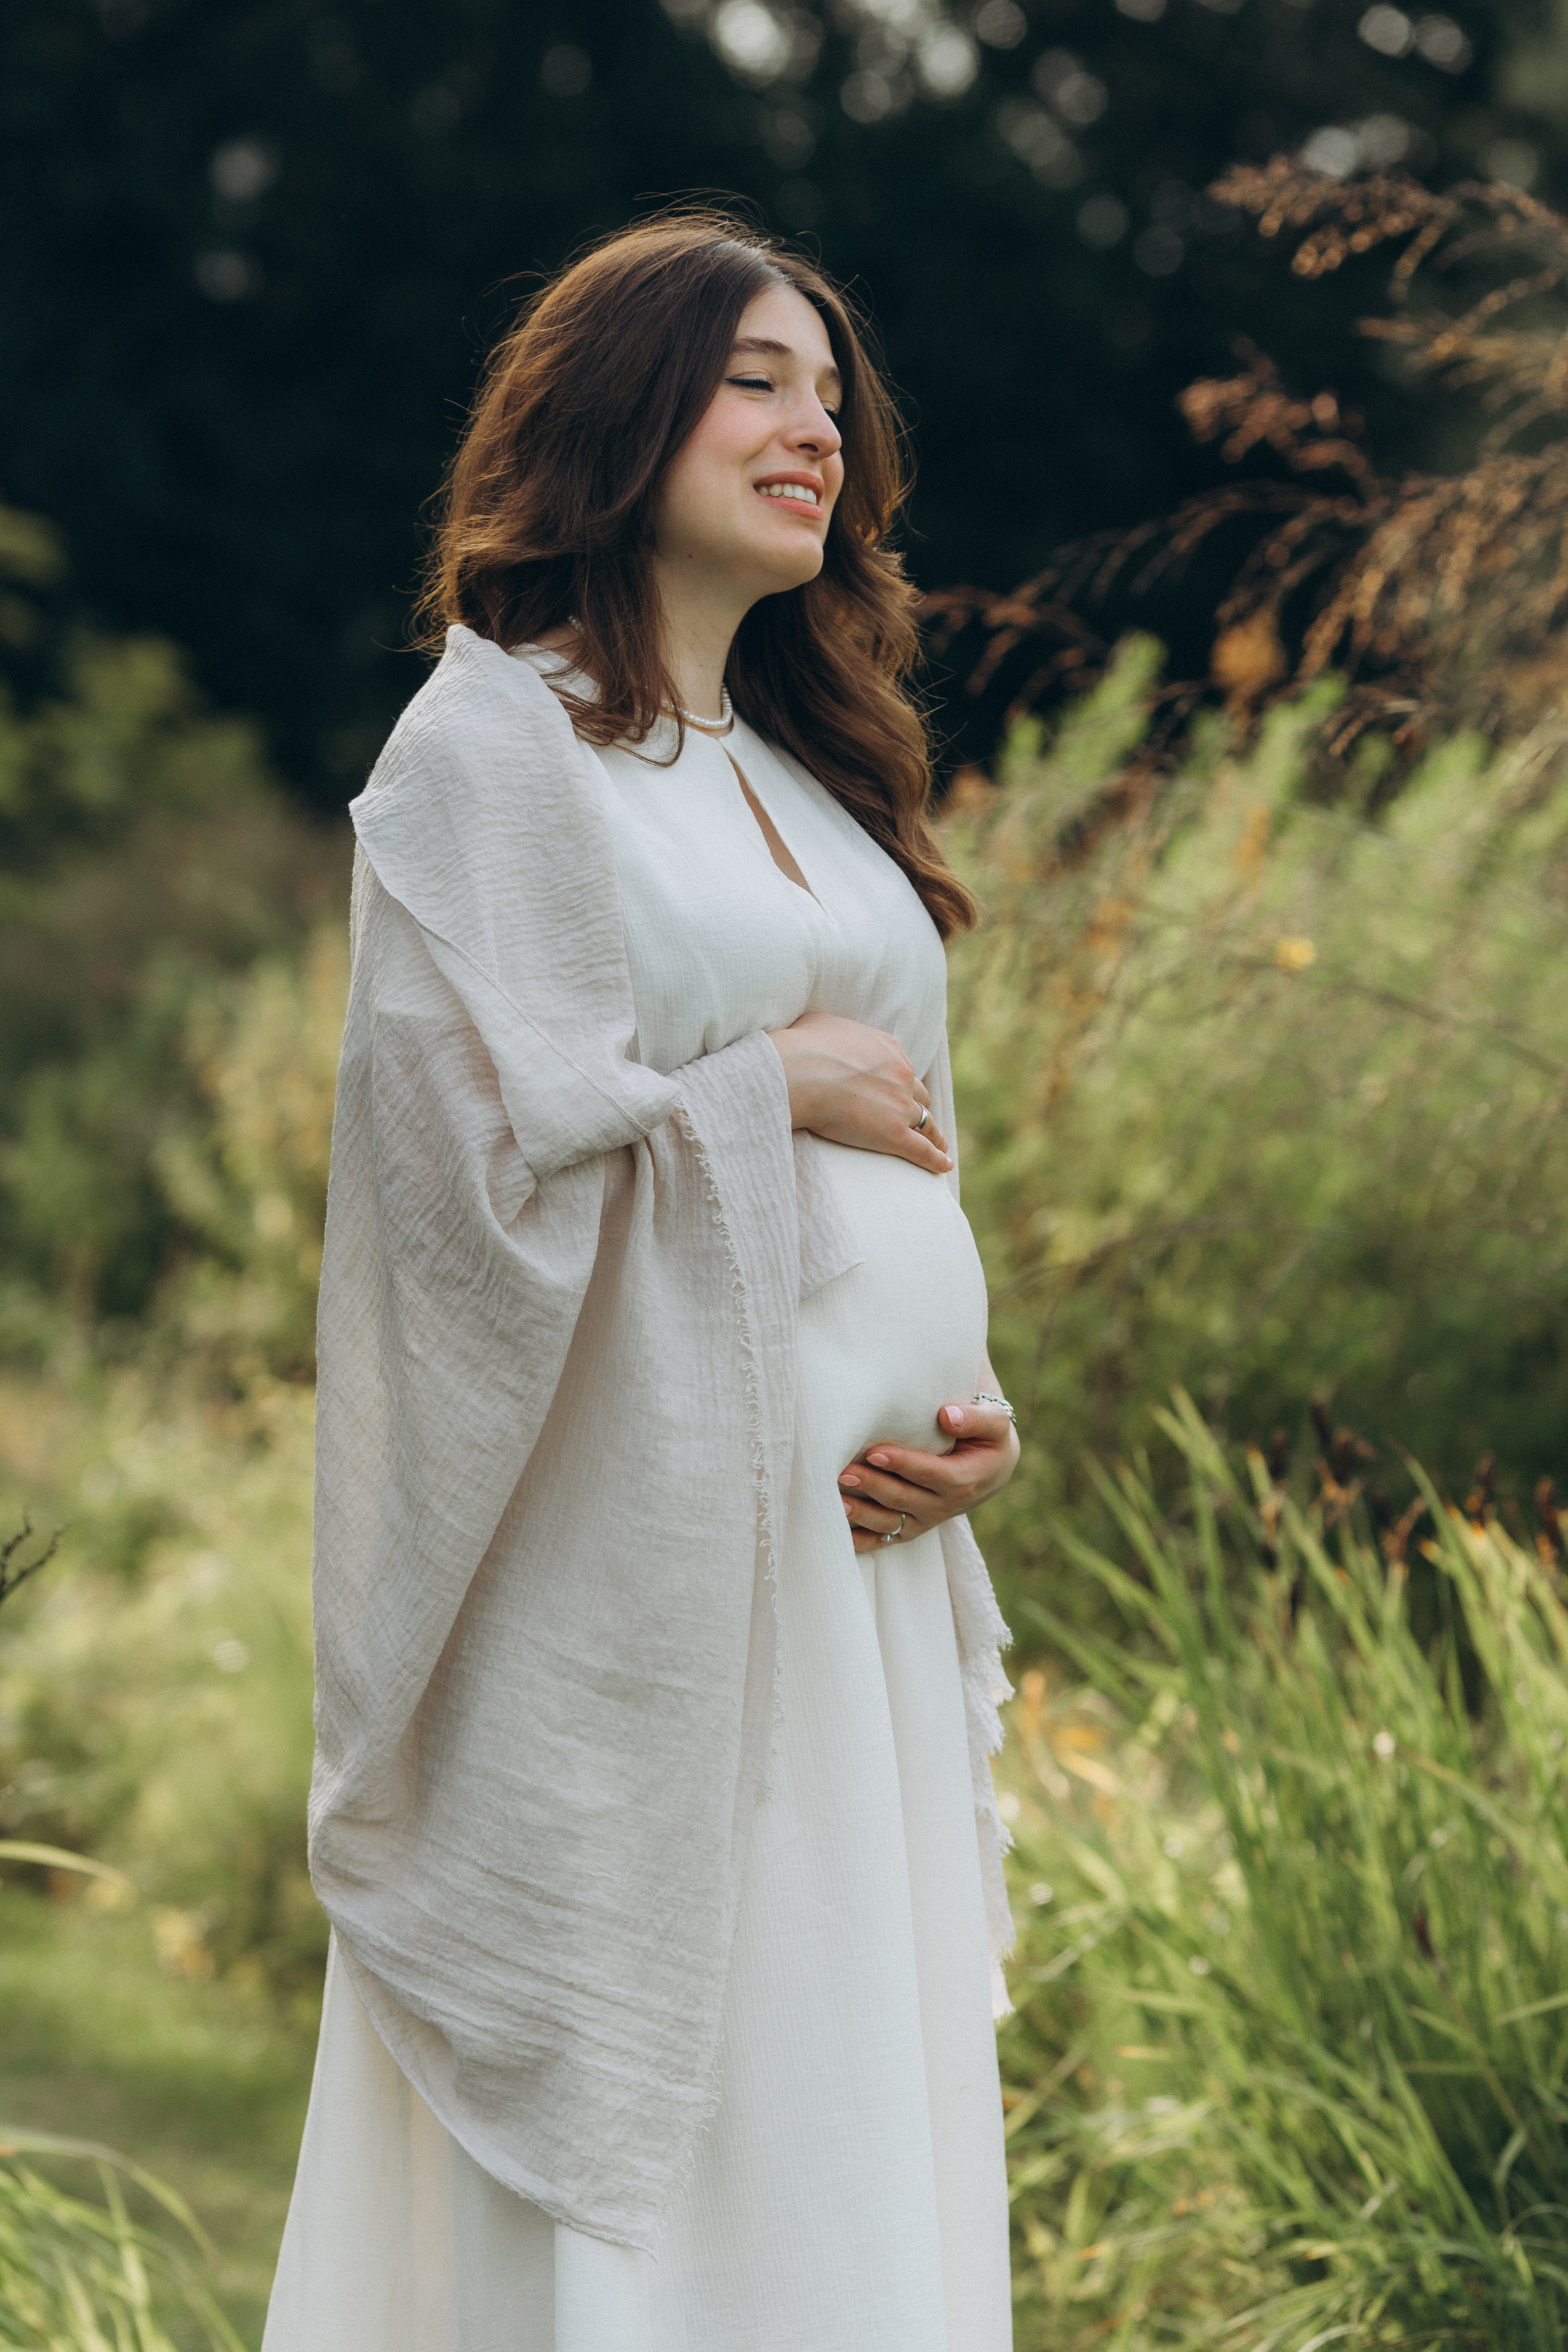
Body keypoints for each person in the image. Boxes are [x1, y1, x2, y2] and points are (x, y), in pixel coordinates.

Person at [262, 209, 1020, 2352]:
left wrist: (973, 1416)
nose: (817, 425)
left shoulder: (810, 768)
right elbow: (455, 1185)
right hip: (656, 1568)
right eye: (757, 379)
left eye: (834, 390)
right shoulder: (492, 750)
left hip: (854, 1558)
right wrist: (763, 1079)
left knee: (839, 2088)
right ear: (621, 414)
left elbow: (925, 1168)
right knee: (695, 2104)